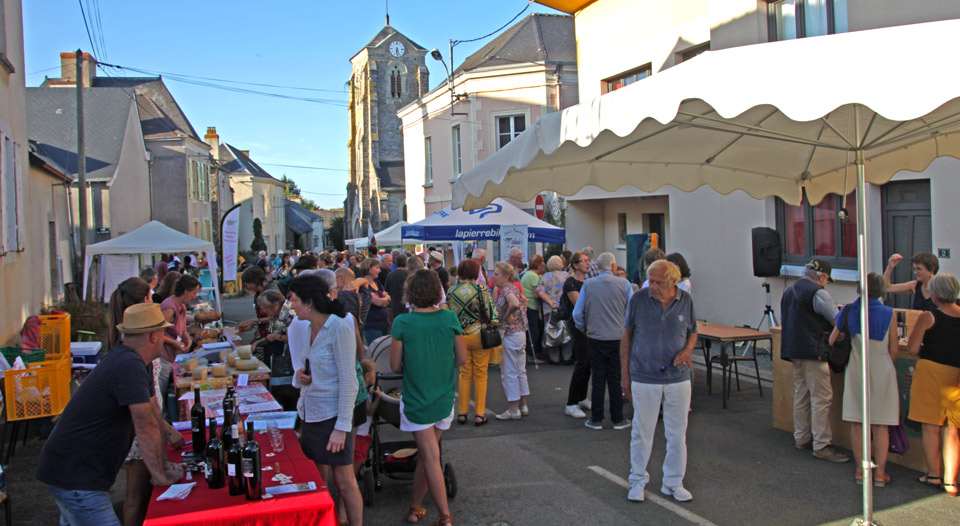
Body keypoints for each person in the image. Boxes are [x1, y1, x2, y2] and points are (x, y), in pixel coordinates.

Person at [36, 303, 183, 526]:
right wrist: (160, 475)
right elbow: (145, 423)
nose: (164, 339)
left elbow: (153, 413)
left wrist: (162, 462)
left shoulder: (135, 361)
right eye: (163, 333)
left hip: (72, 470)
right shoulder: (128, 365)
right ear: (154, 336)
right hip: (76, 475)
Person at [390, 269, 466, 526]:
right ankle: (415, 507)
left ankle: (444, 516)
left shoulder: (402, 322)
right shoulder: (449, 318)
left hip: (416, 397)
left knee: (429, 456)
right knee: (428, 454)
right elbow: (462, 359)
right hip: (443, 396)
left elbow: (394, 365)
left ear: (410, 293)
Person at [288, 274, 363, 525]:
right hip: (311, 413)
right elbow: (316, 368)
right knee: (318, 477)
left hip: (331, 417)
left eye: (294, 300)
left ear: (309, 302)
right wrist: (301, 376)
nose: (291, 305)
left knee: (344, 481)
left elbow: (349, 381)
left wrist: (341, 428)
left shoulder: (339, 326)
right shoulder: (311, 327)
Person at [621, 260, 696, 502]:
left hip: (678, 377)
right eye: (650, 281)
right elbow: (627, 337)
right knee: (642, 431)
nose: (652, 286)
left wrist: (687, 351)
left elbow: (693, 331)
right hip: (644, 375)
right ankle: (637, 480)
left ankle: (674, 482)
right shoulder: (638, 299)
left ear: (673, 281)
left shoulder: (686, 300)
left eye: (658, 282)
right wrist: (625, 374)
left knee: (677, 433)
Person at [828, 272, 899, 487]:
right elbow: (894, 348)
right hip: (882, 366)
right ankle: (880, 473)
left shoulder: (849, 310)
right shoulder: (890, 313)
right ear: (881, 290)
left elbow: (832, 340)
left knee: (858, 423)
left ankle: (860, 471)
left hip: (857, 367)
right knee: (881, 425)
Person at [780, 259, 850, 462]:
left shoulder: (789, 291)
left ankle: (801, 437)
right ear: (822, 277)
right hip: (814, 350)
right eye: (827, 279)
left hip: (794, 349)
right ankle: (822, 444)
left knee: (801, 395)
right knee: (821, 398)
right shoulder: (819, 293)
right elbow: (836, 321)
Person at [906, 273, 960, 497]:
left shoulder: (928, 317)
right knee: (953, 429)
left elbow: (912, 348)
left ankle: (933, 474)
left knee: (931, 427)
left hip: (930, 373)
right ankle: (951, 481)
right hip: (956, 375)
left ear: (935, 294)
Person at [572, 252, 632, 430]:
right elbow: (631, 310)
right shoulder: (625, 284)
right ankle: (618, 418)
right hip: (616, 336)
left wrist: (584, 328)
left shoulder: (589, 285)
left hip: (595, 336)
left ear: (598, 267)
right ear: (613, 266)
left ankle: (596, 418)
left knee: (598, 377)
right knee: (614, 377)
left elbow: (577, 313)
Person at [447, 258, 499, 426]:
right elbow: (492, 315)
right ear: (476, 273)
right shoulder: (482, 290)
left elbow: (447, 315)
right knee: (480, 374)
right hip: (479, 336)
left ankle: (462, 412)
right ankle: (479, 414)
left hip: (460, 336)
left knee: (464, 374)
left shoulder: (451, 291)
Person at [158, 274, 200, 419]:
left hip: (170, 356)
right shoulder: (169, 307)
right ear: (186, 291)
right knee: (161, 394)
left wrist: (187, 339)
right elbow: (157, 334)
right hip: (162, 357)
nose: (195, 296)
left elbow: (181, 329)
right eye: (194, 292)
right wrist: (174, 342)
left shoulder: (180, 306)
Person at [493, 262, 531, 420]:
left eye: (496, 274)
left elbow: (515, 303)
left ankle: (513, 408)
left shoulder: (507, 290)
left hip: (510, 334)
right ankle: (523, 404)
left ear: (506, 277)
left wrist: (506, 316)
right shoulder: (515, 287)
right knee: (520, 370)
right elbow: (524, 302)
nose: (493, 277)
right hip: (521, 333)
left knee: (509, 371)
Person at [564, 251, 592, 418]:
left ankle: (582, 397)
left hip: (589, 325)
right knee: (582, 362)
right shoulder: (571, 283)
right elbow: (579, 305)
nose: (588, 264)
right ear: (575, 265)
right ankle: (571, 402)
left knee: (588, 362)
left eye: (588, 261)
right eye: (584, 261)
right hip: (577, 325)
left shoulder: (588, 282)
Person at [537, 255, 572, 364]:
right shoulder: (567, 276)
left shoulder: (545, 277)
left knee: (551, 331)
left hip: (550, 309)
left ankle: (554, 358)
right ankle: (567, 357)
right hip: (565, 308)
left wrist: (550, 301)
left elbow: (540, 292)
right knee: (566, 331)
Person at [251, 289, 294, 363]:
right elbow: (271, 336)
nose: (264, 311)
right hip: (275, 354)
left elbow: (294, 338)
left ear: (276, 304)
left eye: (265, 307)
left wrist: (277, 337)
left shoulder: (289, 313)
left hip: (288, 358)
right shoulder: (275, 314)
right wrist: (256, 343)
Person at [239, 265, 281, 341]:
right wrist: (252, 323)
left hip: (275, 336)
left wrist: (256, 321)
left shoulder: (272, 292)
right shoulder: (258, 293)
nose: (247, 287)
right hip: (264, 335)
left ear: (255, 280)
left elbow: (279, 317)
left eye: (247, 283)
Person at [357, 257, 391, 344]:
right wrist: (384, 299)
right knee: (375, 351)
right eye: (377, 268)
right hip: (372, 324)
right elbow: (378, 302)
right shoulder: (363, 286)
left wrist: (383, 299)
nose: (379, 270)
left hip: (384, 322)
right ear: (369, 269)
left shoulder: (377, 283)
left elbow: (387, 298)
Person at [521, 254, 545, 361]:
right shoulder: (534, 276)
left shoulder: (527, 274)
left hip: (526, 307)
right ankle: (532, 355)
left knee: (529, 331)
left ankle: (529, 354)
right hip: (532, 306)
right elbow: (537, 294)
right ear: (539, 265)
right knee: (534, 331)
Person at [385, 253, 410, 321]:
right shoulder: (409, 275)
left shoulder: (390, 275)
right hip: (407, 306)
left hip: (394, 306)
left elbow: (386, 290)